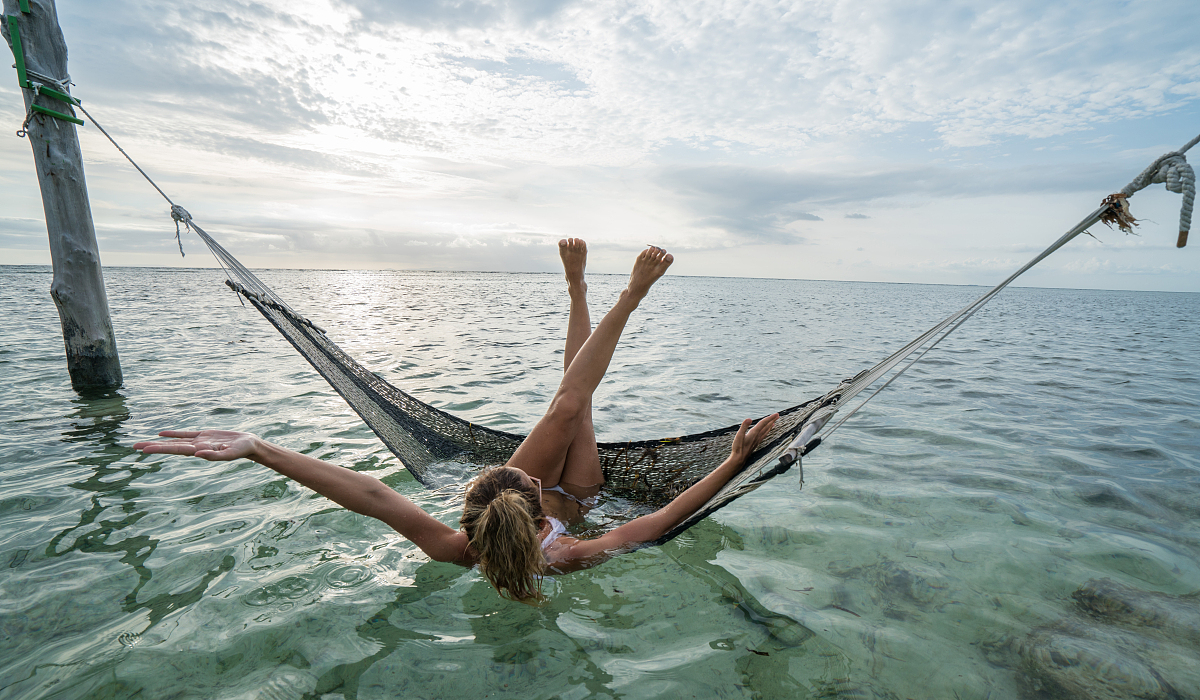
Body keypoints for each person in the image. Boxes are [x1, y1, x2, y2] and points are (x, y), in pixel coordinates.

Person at [135, 240, 778, 601]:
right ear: (527, 497)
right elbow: (658, 521)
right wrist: (733, 461)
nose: (516, 466)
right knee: (574, 407)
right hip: (584, 496)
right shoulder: (567, 555)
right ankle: (617, 298)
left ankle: (582, 294)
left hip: (538, 507)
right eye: (518, 474)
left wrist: (260, 448)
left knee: (567, 402)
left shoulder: (459, 548)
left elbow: (371, 496)